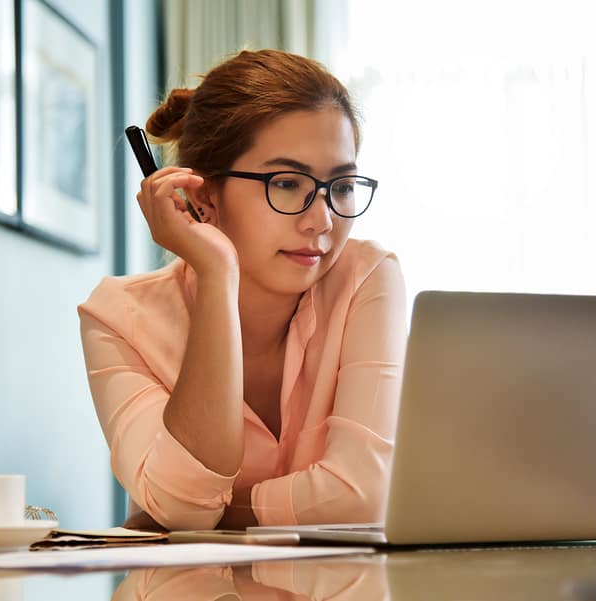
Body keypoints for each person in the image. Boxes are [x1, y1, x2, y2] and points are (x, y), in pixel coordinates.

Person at [78, 49, 407, 531]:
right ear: (202, 197)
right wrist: (216, 270)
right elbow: (186, 506)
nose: (322, 221)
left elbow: (361, 498)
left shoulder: (367, 277)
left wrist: (224, 512)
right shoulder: (118, 317)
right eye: (287, 183)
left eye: (341, 186)